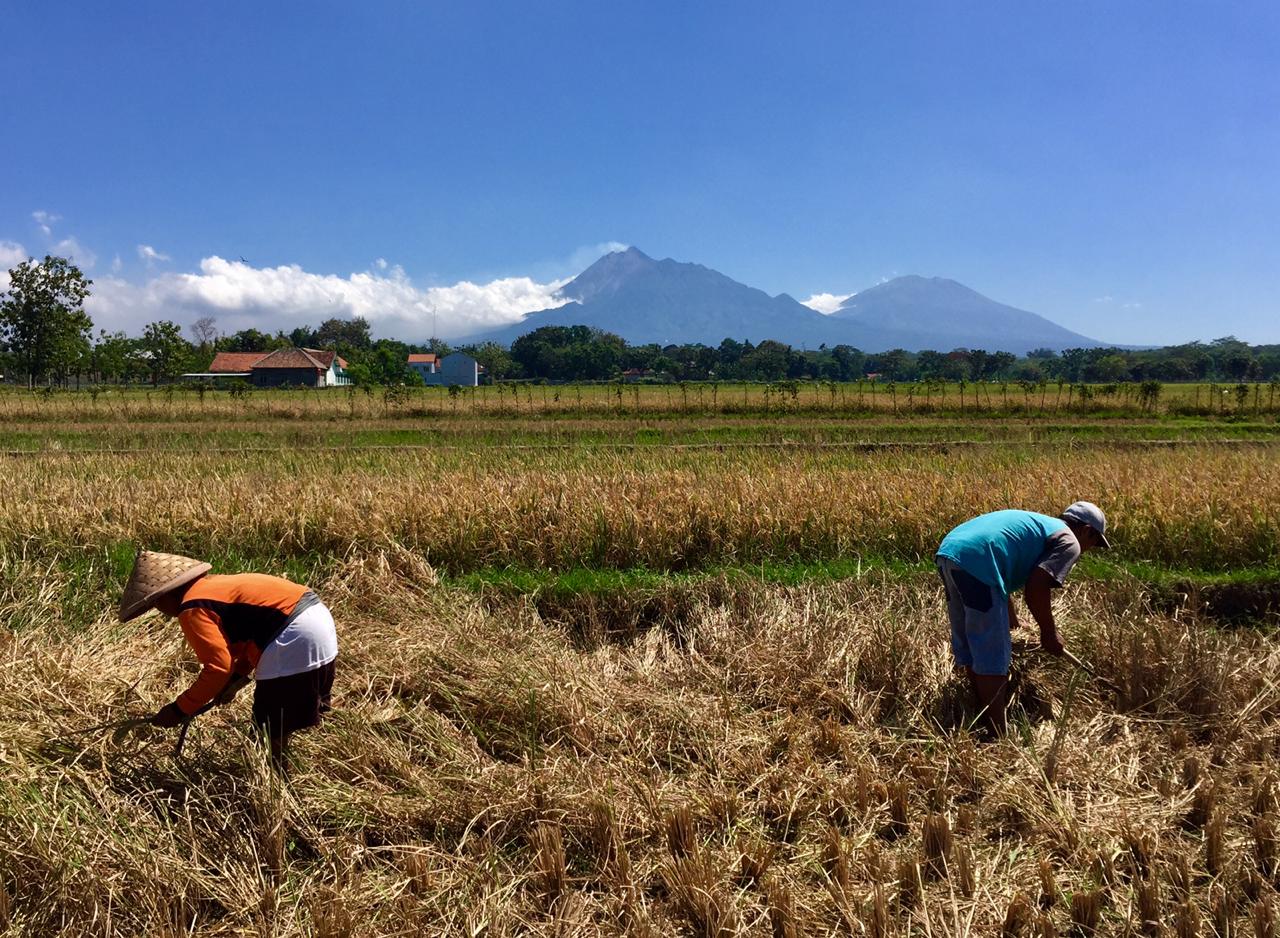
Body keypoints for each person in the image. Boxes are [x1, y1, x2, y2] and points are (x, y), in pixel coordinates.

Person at [118, 549, 338, 766]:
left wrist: (179, 709)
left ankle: (279, 790)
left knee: (266, 737)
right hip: (317, 619)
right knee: (278, 724)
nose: (160, 610)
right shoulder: (215, 587)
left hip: (292, 636)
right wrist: (235, 679)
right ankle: (280, 781)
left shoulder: (192, 607)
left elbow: (217, 668)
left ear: (166, 595)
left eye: (156, 604)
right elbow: (255, 633)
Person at [935, 502, 1110, 735]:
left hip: (951, 552)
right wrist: (1048, 632)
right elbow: (1036, 587)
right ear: (1087, 530)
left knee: (971, 644)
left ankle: (976, 714)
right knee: (992, 655)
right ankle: (997, 735)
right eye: (1094, 542)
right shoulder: (1069, 541)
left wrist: (1012, 620)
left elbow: (1001, 578)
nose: (1088, 549)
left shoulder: (1042, 526)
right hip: (979, 560)